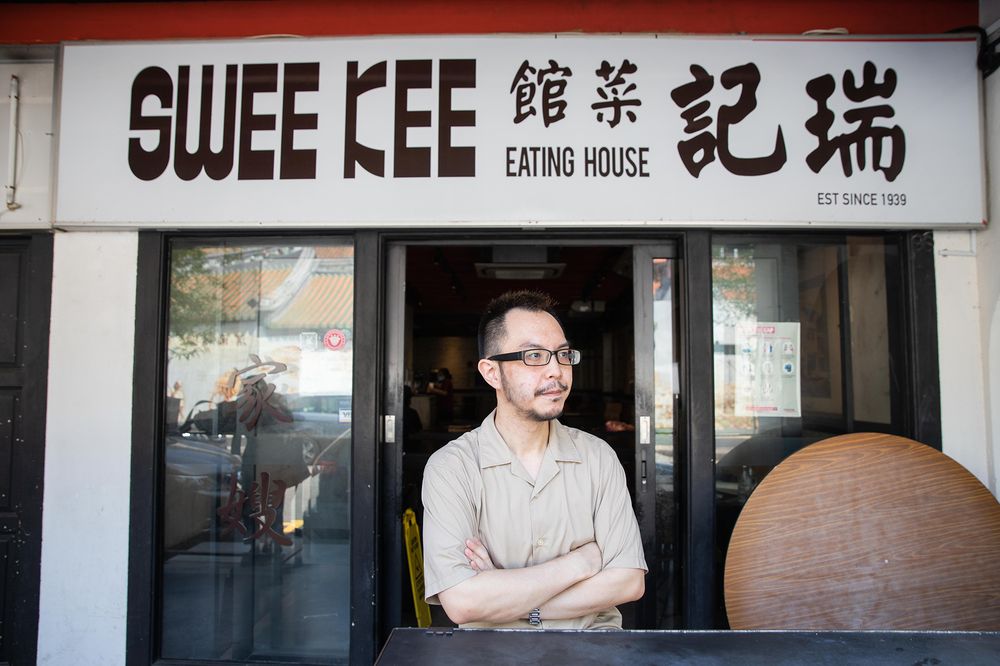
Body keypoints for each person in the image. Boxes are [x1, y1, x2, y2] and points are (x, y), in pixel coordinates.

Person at [421, 290, 646, 629]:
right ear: (492, 373)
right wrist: (580, 563)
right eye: (535, 356)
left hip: (592, 651)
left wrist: (507, 594)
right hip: (489, 656)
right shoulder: (452, 468)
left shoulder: (598, 458)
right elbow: (464, 603)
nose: (556, 371)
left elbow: (628, 582)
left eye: (563, 354)